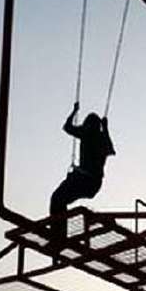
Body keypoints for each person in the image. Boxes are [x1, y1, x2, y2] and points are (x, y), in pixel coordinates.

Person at [49, 102, 115, 240]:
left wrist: (74, 112)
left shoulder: (89, 134)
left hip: (85, 180)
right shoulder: (99, 136)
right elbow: (110, 149)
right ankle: (59, 235)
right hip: (92, 184)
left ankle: (58, 236)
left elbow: (67, 127)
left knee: (57, 199)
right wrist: (106, 128)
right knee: (59, 200)